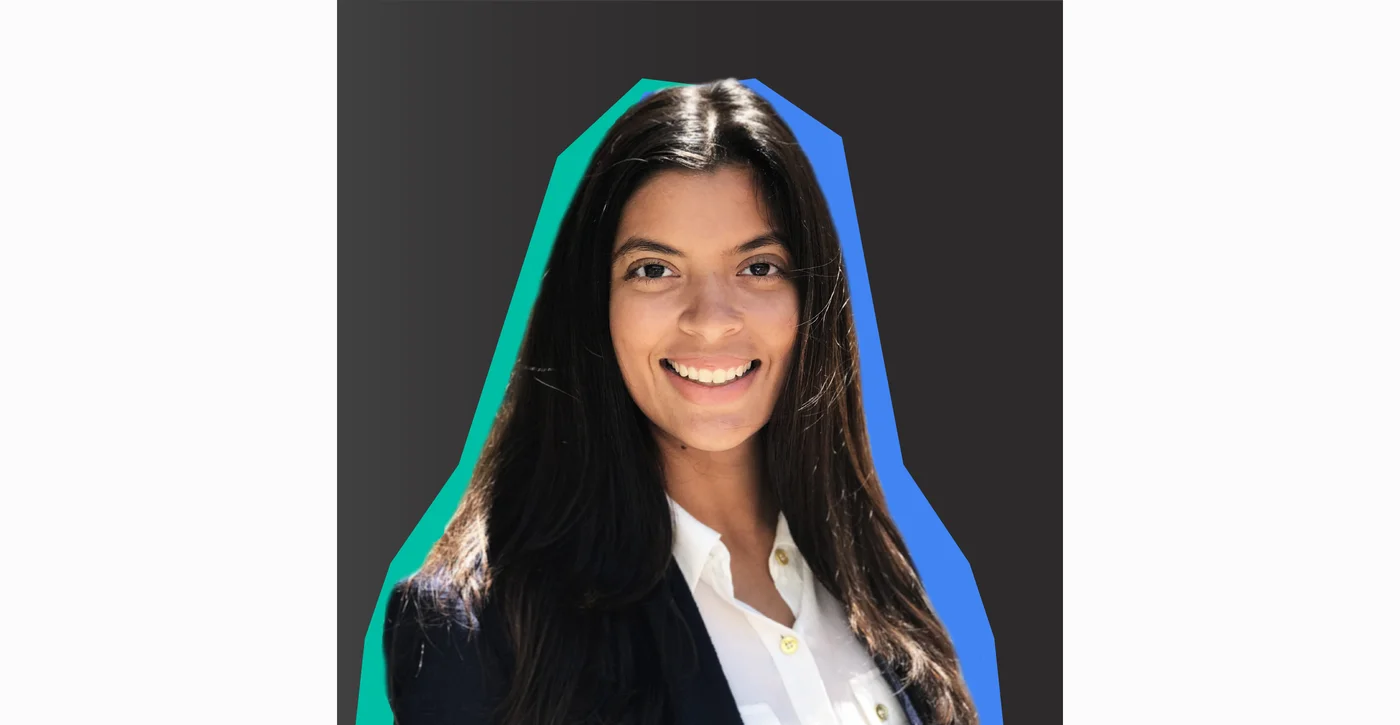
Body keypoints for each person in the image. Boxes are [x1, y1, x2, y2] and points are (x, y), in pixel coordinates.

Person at [383, 78, 977, 725]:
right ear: (594, 305)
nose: (710, 319)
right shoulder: (479, 629)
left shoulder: (879, 576)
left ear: (811, 299)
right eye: (655, 269)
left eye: (758, 267)